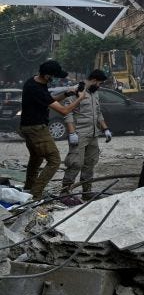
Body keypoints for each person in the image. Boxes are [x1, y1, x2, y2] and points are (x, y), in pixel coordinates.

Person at [19, 60, 86, 199]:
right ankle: (36, 194)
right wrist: (79, 99)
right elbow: (64, 110)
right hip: (36, 128)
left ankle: (28, 189)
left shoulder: (35, 83)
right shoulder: (36, 88)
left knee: (36, 158)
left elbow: (50, 99)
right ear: (47, 75)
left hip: (29, 127)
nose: (55, 79)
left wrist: (68, 93)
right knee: (54, 160)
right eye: (54, 76)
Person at [60, 69, 113, 198]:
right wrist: (72, 133)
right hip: (79, 134)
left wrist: (105, 129)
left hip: (93, 134)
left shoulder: (95, 93)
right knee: (75, 163)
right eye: (99, 83)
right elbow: (68, 113)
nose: (99, 86)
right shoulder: (75, 90)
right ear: (94, 80)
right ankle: (65, 193)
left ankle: (86, 192)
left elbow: (98, 112)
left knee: (90, 163)